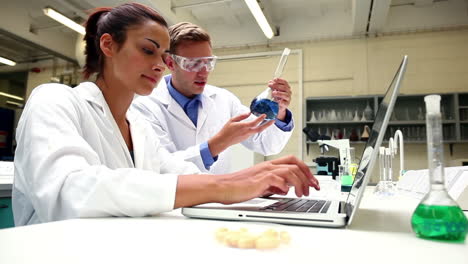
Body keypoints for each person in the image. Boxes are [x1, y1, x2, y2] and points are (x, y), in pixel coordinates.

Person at [12, 3, 318, 226]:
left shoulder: (138, 127)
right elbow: (70, 192)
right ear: (108, 45)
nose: (160, 65)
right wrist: (225, 184)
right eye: (148, 50)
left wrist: (255, 176)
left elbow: (181, 173)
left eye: (163, 56)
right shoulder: (55, 100)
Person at [131, 22, 294, 174]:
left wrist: (280, 112)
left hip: (219, 202)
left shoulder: (224, 100)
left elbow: (267, 144)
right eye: (193, 64)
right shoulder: (145, 107)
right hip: (175, 203)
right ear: (171, 63)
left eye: (208, 62)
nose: (203, 72)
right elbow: (160, 167)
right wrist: (217, 144)